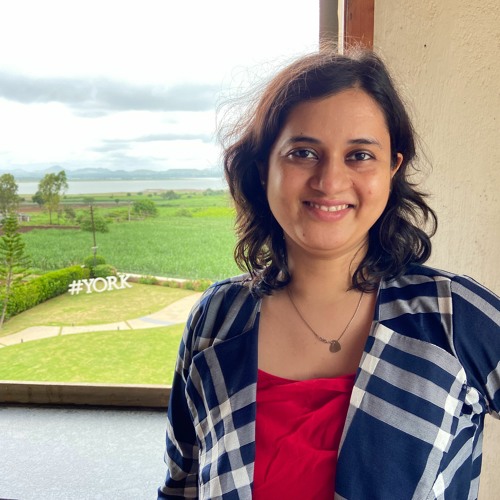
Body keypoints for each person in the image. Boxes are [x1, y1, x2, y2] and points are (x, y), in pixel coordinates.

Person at [158, 48, 500, 499]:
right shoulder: (217, 319)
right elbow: (181, 486)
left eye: (359, 155)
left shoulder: (453, 315)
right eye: (303, 153)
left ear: (392, 169)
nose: (330, 181)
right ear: (264, 169)